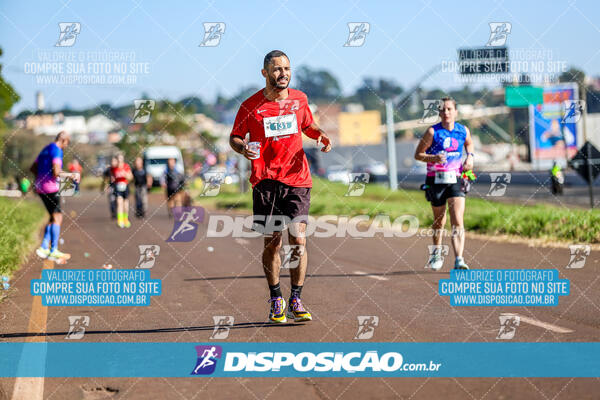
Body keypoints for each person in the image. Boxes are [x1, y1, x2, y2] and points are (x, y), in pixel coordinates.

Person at [229, 50, 332, 323]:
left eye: (287, 68)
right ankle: (276, 297)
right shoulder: (251, 106)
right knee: (273, 243)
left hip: (297, 179)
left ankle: (296, 298)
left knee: (298, 239)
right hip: (265, 181)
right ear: (265, 73)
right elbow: (235, 137)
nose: (283, 73)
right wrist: (243, 150)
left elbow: (308, 126)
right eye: (277, 69)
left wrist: (321, 135)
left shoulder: (300, 99)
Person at [414, 97, 474, 271]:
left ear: (455, 112)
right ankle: (436, 252)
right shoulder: (433, 132)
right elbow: (418, 154)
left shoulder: (463, 131)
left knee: (457, 219)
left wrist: (470, 157)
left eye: (449, 109)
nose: (446, 113)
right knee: (440, 220)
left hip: (456, 178)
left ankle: (459, 260)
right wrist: (433, 158)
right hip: (436, 179)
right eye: (442, 110)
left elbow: (469, 145)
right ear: (439, 113)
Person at [31, 131, 80, 261]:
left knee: (53, 217)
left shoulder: (46, 149)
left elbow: (33, 167)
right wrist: (72, 175)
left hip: (41, 188)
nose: (66, 146)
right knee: (58, 217)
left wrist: (39, 178)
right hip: (51, 188)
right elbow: (57, 172)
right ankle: (53, 250)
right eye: (67, 143)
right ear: (63, 140)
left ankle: (43, 247)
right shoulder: (57, 150)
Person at [110, 154, 133, 228]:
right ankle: (120, 220)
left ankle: (125, 219)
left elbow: (131, 177)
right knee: (119, 202)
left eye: (121, 159)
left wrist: (125, 174)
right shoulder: (114, 168)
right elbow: (111, 176)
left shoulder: (126, 166)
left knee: (125, 203)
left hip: (125, 186)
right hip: (117, 186)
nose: (120, 161)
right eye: (118, 159)